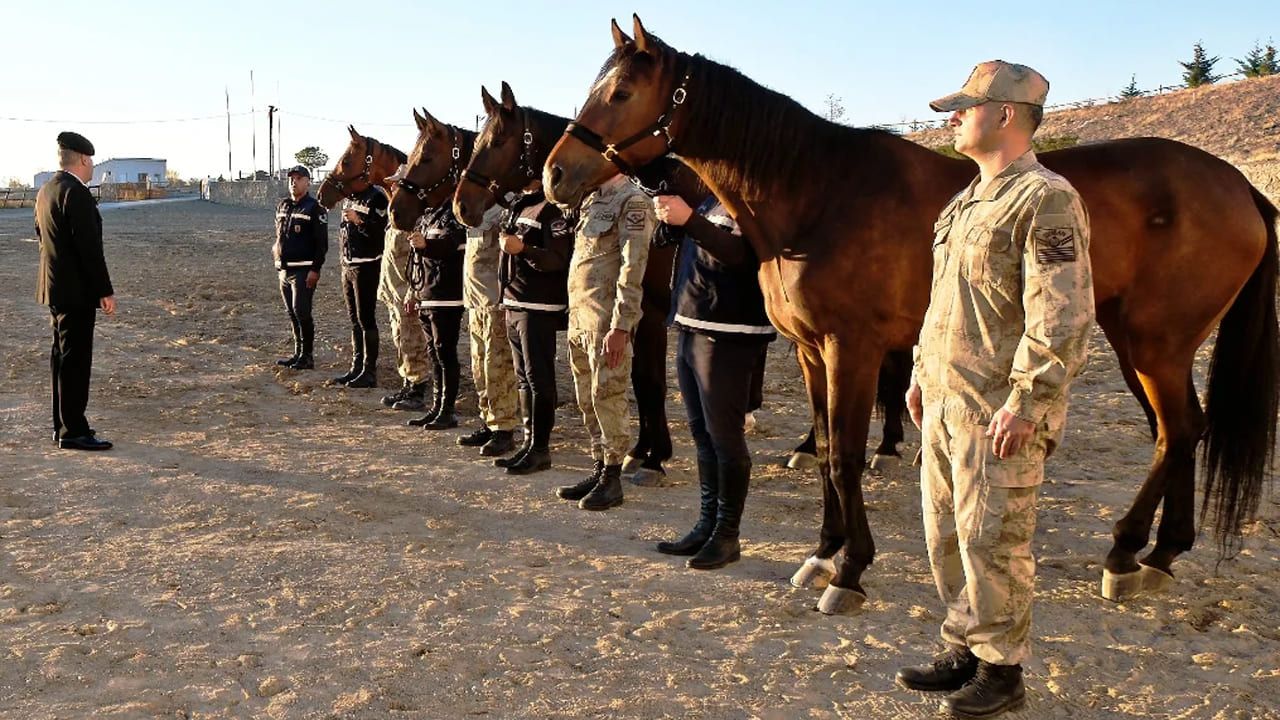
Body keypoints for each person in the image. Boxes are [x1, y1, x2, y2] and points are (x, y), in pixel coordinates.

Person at [898, 61, 1094, 719]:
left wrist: (1028, 399)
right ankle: (965, 648)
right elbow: (942, 304)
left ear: (1006, 114)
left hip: (997, 410)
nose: (951, 117)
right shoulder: (963, 202)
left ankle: (1003, 673)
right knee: (948, 539)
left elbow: (1061, 311)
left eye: (964, 107)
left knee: (995, 543)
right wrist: (922, 375)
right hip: (948, 401)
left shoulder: (1046, 197)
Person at [642, 160, 776, 569]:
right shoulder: (710, 200)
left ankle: (727, 535)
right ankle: (706, 523)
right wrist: (672, 220)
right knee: (701, 433)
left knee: (725, 436)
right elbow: (683, 244)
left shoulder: (754, 199)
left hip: (730, 331)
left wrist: (690, 221)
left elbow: (741, 256)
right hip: (691, 323)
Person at [552, 173, 654, 511]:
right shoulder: (592, 199)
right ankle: (598, 467)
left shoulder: (633, 201)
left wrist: (622, 327)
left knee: (607, 395)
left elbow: (633, 268)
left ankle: (612, 477)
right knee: (586, 397)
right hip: (580, 317)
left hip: (607, 321)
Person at [35, 131, 116, 451]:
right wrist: (104, 291)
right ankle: (73, 430)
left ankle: (62, 425)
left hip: (54, 288)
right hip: (77, 292)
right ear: (83, 159)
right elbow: (89, 249)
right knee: (76, 361)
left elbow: (42, 237)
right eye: (91, 160)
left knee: (61, 358)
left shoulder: (46, 190)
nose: (93, 164)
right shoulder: (76, 194)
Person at [493, 184, 574, 475]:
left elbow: (558, 259)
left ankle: (540, 450)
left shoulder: (551, 210)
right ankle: (528, 444)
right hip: (514, 303)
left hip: (538, 306)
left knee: (539, 378)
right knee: (523, 379)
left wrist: (524, 249)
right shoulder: (520, 205)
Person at [456, 201, 520, 456]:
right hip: (475, 301)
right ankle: (489, 420)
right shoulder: (474, 210)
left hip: (495, 301)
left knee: (498, 366)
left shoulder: (505, 209)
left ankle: (504, 429)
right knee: (479, 365)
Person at [404, 206, 467, 430]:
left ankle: (447, 410)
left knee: (445, 351)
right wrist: (414, 291)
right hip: (427, 293)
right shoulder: (429, 215)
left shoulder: (455, 214)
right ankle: (437, 407)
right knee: (434, 353)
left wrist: (426, 245)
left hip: (448, 294)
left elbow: (453, 245)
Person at [377, 165, 433, 412]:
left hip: (407, 291)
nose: (393, 187)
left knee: (413, 341)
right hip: (392, 291)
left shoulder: (415, 217)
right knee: (400, 340)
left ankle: (418, 388)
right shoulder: (396, 215)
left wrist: (413, 291)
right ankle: (407, 383)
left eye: (398, 183)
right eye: (392, 183)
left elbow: (419, 259)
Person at [331, 182, 389, 387]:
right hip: (348, 266)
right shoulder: (349, 197)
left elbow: (383, 233)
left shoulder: (377, 197)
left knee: (366, 319)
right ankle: (356, 367)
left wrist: (360, 221)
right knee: (354, 319)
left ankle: (369, 371)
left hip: (367, 266)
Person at [273, 165, 328, 370]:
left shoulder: (314, 207)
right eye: (291, 179)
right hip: (284, 269)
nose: (293, 182)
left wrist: (315, 269)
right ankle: (298, 353)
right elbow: (278, 235)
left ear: (307, 181)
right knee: (291, 312)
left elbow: (321, 244)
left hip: (304, 269)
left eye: (298, 178)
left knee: (302, 311)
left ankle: (308, 356)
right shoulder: (283, 205)